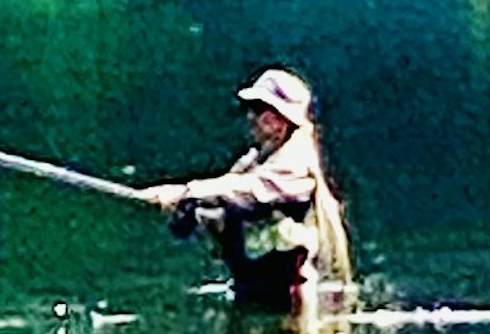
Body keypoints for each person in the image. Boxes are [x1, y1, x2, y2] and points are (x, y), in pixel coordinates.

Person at [150, 65, 354, 318]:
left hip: (290, 307)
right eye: (250, 109)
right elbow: (230, 205)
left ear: (281, 121)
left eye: (258, 109)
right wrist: (191, 213)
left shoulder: (295, 169)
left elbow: (248, 191)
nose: (250, 117)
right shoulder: (253, 163)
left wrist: (186, 191)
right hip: (253, 297)